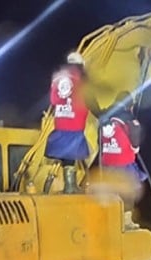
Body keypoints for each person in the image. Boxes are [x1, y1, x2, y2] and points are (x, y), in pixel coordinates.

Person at [44, 51, 97, 194]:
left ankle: (70, 185)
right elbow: (90, 99)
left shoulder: (58, 78)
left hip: (61, 122)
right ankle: (70, 186)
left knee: (67, 155)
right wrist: (102, 113)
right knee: (75, 153)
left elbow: (53, 100)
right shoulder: (81, 79)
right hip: (75, 123)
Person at [99, 92, 145, 183]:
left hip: (107, 161)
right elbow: (136, 131)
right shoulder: (128, 116)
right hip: (124, 162)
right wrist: (135, 147)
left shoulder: (105, 115)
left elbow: (99, 140)